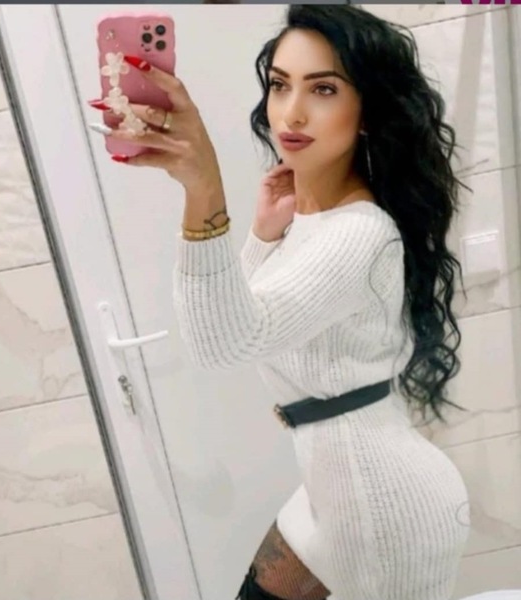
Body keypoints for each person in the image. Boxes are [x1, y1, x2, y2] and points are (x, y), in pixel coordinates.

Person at [89, 5, 472, 599]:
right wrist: (264, 235)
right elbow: (232, 328)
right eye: (279, 85)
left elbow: (222, 345)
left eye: (323, 89)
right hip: (329, 494)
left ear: (368, 111)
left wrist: (204, 190)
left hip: (386, 510)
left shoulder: (360, 233)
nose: (291, 112)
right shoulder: (310, 218)